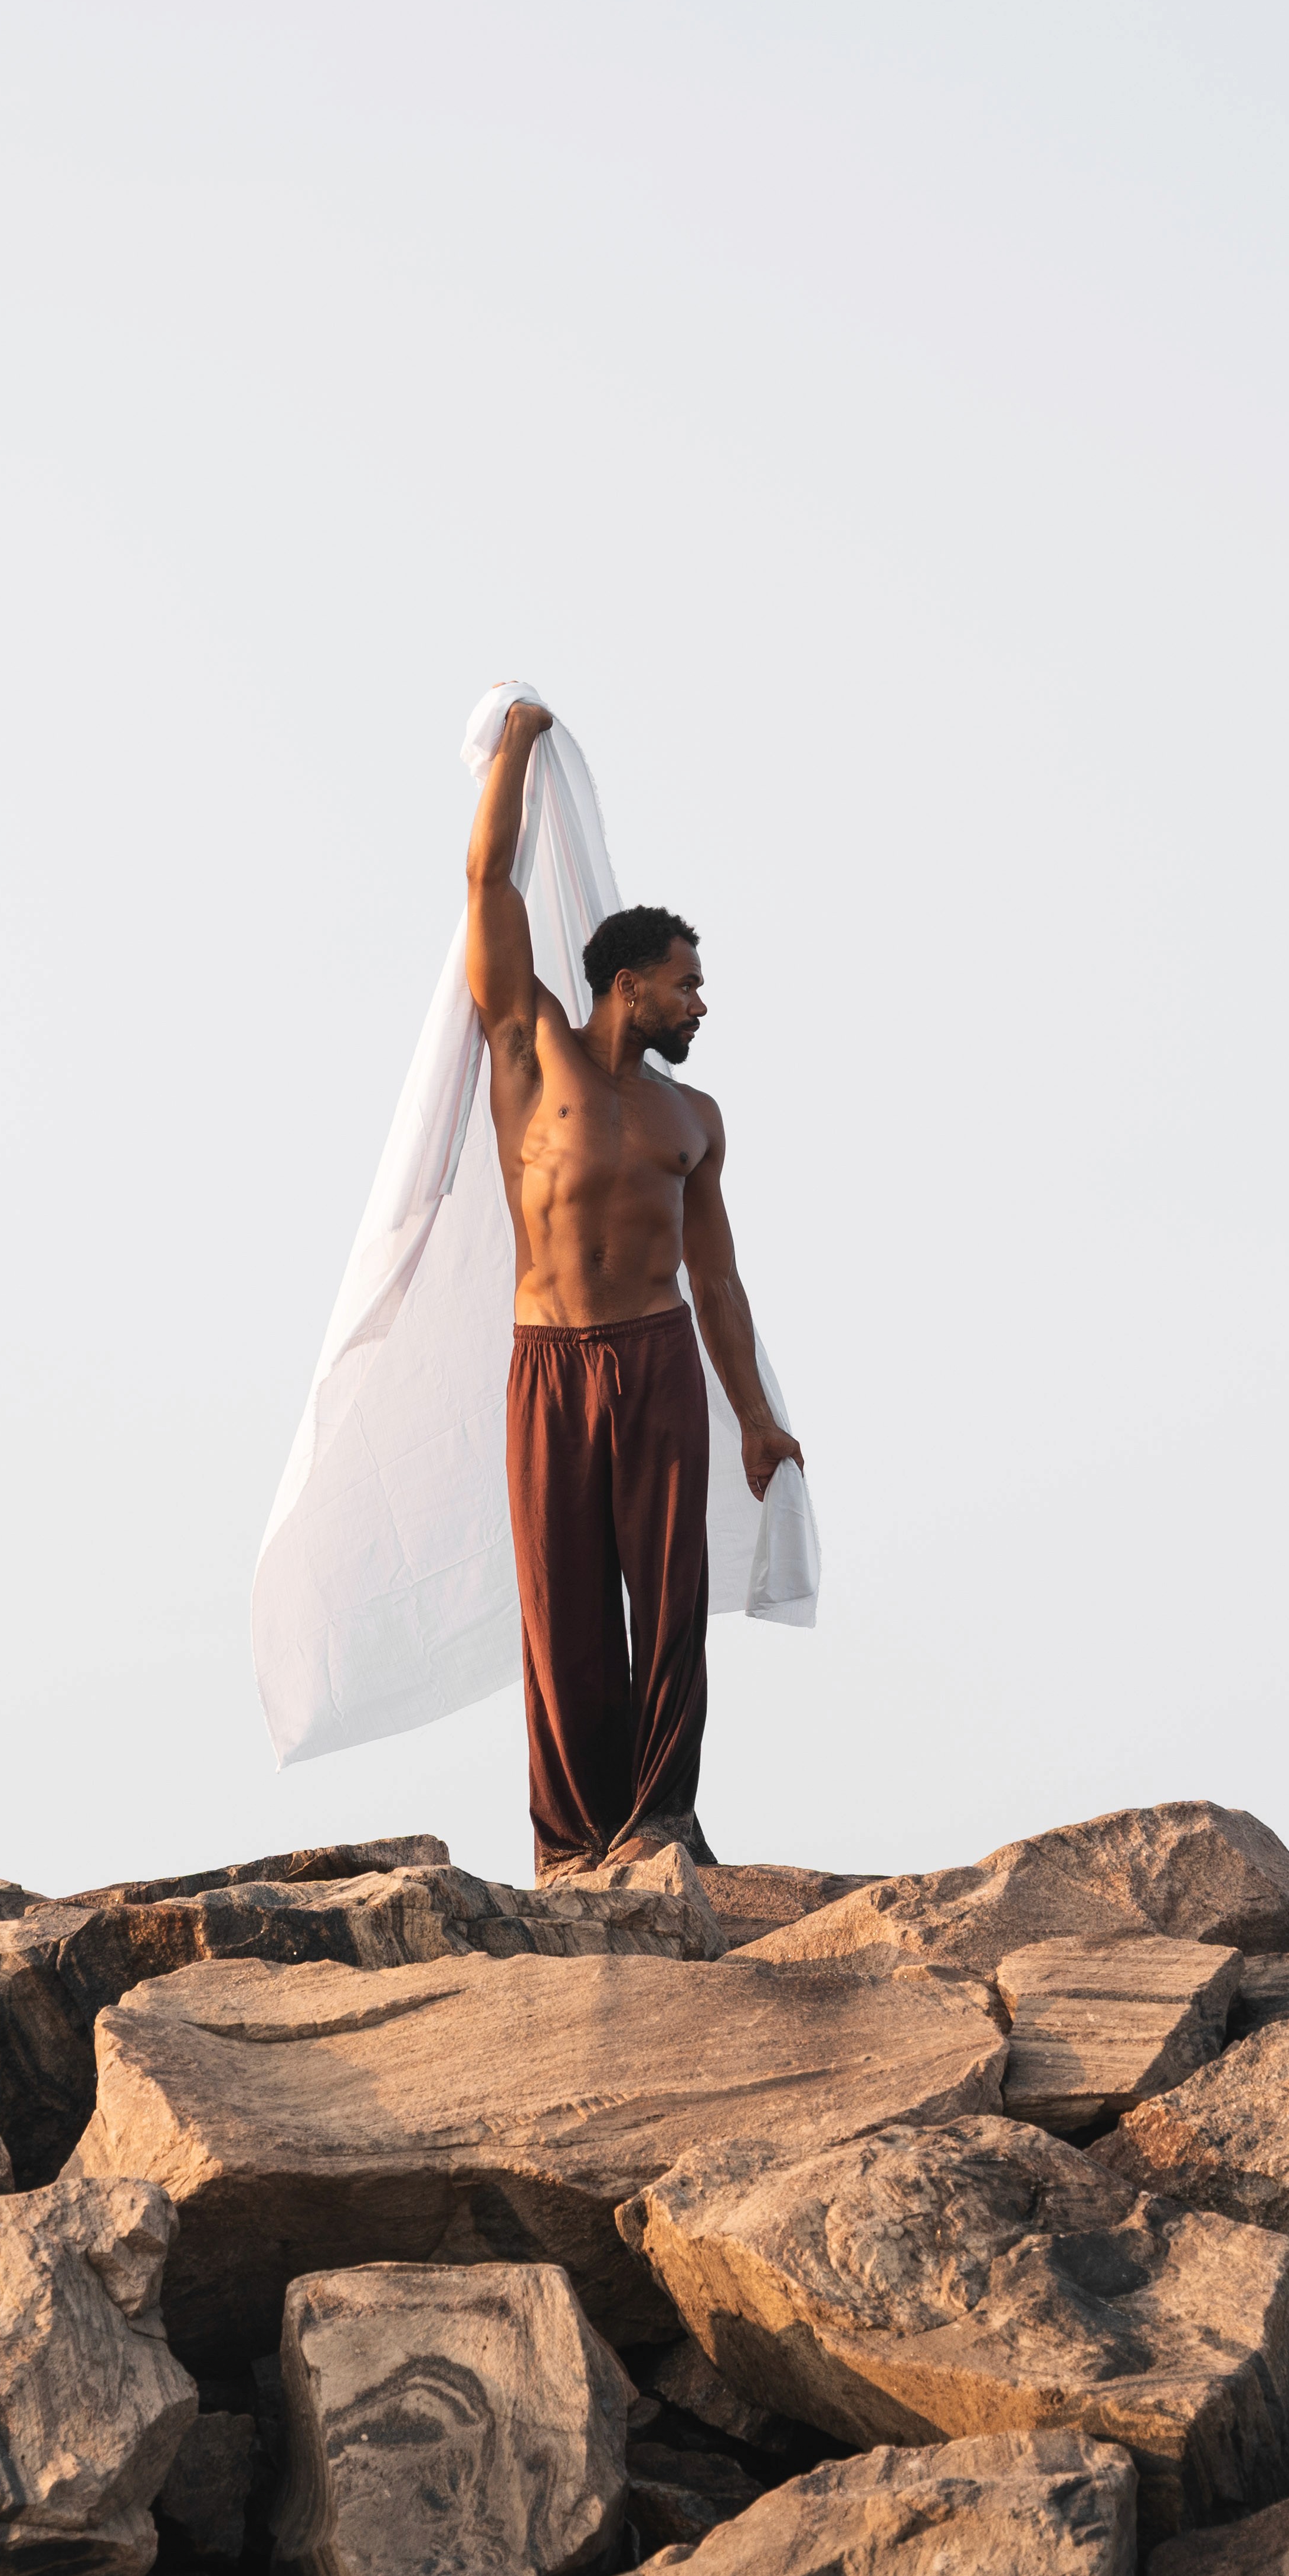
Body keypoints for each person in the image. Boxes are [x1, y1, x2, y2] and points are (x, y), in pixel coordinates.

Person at [465, 696, 805, 1881]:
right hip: (549, 1358)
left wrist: (756, 1414)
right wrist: (514, 745)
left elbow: (715, 1274)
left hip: (656, 1354)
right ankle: (572, 1843)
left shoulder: (693, 1118)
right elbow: (487, 884)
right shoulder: (532, 1050)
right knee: (563, 1610)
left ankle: (662, 1820)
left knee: (666, 1597)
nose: (701, 1002)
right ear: (625, 985)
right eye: (685, 984)